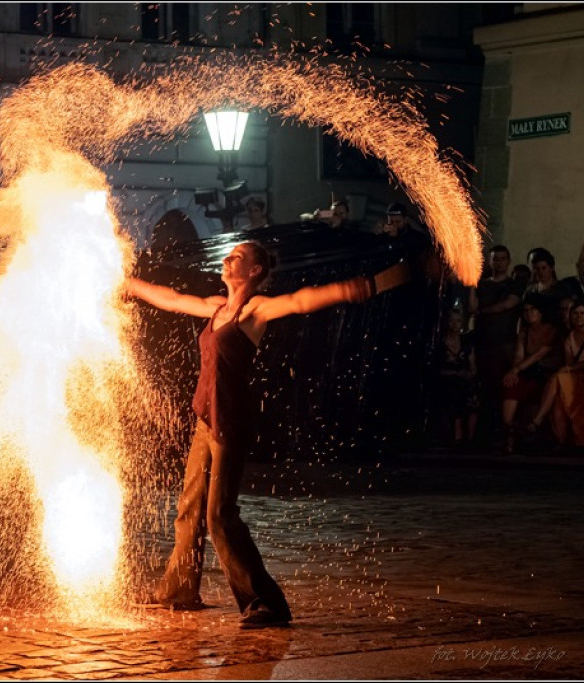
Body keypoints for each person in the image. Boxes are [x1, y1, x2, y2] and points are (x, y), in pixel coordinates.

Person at [125, 241, 407, 628]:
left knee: (219, 515)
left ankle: (266, 602)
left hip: (230, 421)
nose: (228, 259)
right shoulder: (215, 307)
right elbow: (172, 299)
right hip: (205, 419)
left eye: (237, 257)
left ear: (255, 271)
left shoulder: (255, 310)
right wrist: (130, 285)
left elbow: (300, 301)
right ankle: (179, 590)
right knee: (189, 508)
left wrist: (358, 287)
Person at [468, 245, 522, 443]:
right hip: (484, 342)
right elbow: (472, 308)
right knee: (485, 387)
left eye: (501, 258)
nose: (498, 262)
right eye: (495, 259)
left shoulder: (514, 285)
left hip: (504, 344)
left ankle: (501, 432)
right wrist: (472, 285)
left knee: (502, 388)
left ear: (508, 261)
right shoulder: (482, 285)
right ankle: (485, 434)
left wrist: (483, 311)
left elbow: (509, 304)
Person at [500, 296, 560, 454]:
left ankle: (529, 431)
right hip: (527, 371)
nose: (529, 313)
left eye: (533, 309)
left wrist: (516, 370)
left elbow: (539, 354)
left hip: (545, 372)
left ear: (540, 311)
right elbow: (519, 355)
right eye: (526, 310)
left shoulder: (551, 330)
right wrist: (514, 371)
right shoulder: (524, 332)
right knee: (510, 384)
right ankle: (508, 430)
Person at [526, 300, 584, 449]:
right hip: (576, 376)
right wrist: (569, 369)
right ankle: (561, 439)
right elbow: (569, 363)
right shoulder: (570, 337)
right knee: (558, 394)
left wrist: (569, 369)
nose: (579, 316)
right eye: (575, 313)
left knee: (557, 379)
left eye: (582, 313)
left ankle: (537, 420)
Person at [434, 309, 478, 446]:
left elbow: (473, 365)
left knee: (472, 394)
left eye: (458, 321)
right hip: (447, 380)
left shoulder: (466, 342)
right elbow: (438, 369)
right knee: (454, 391)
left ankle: (470, 437)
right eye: (451, 320)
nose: (455, 324)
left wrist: (471, 375)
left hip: (465, 379)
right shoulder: (440, 343)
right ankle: (457, 433)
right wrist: (455, 373)